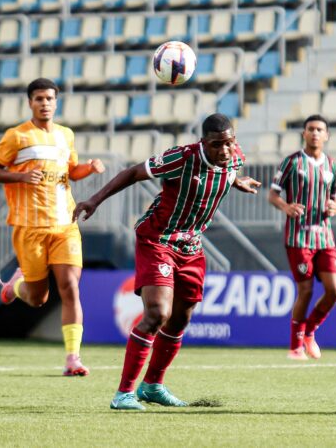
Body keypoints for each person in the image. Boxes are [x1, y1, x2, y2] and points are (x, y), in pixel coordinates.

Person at [73, 113, 260, 410]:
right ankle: (123, 394)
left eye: (229, 143)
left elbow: (224, 172)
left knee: (180, 319)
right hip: (158, 240)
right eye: (217, 145)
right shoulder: (182, 158)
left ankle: (153, 386)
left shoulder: (234, 158)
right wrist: (94, 200)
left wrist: (237, 181)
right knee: (157, 313)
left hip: (193, 247)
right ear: (203, 143)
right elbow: (134, 173)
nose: (224, 150)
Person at [0, 78, 105, 376]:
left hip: (65, 224)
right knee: (38, 298)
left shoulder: (66, 135)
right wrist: (21, 178)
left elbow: (71, 172)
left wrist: (88, 168)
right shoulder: (17, 136)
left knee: (70, 287)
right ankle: (14, 286)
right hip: (30, 227)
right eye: (39, 98)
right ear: (30, 102)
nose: (45, 103)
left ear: (56, 101)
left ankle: (73, 358)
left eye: (50, 98)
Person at [267, 114, 336, 361]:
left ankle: (310, 331)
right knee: (306, 290)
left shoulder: (334, 166)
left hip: (325, 238)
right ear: (304, 133)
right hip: (298, 237)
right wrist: (286, 207)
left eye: (320, 129)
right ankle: (295, 346)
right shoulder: (291, 163)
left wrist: (334, 208)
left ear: (326, 135)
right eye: (311, 129)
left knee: (335, 290)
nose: (315, 133)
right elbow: (273, 195)